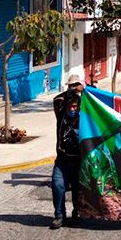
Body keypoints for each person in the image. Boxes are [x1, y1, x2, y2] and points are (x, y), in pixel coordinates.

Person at [51, 93, 81, 229]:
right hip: (62, 161)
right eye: (69, 106)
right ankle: (59, 216)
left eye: (74, 106)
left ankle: (77, 213)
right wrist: (74, 89)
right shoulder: (61, 116)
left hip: (78, 162)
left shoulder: (84, 120)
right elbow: (57, 100)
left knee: (77, 190)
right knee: (58, 186)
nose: (72, 109)